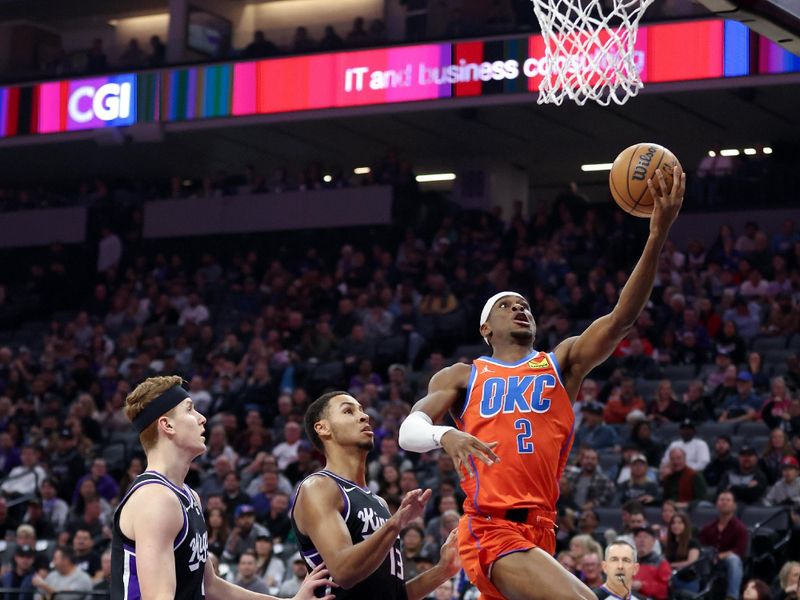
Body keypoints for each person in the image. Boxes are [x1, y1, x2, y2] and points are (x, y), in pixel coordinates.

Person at [399, 168, 685, 600]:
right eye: (508, 306)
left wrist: (656, 236)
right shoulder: (463, 375)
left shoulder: (561, 363)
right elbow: (408, 431)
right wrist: (446, 434)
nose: (520, 310)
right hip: (490, 528)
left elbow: (621, 319)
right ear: (485, 327)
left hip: (541, 529)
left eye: (526, 306)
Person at [110, 375, 333, 600]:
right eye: (190, 410)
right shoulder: (156, 499)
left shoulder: (189, 497)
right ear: (167, 425)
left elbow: (212, 586)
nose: (202, 418)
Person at [292, 391, 461, 598]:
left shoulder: (378, 502)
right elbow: (344, 572)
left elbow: (395, 595)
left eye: (362, 410)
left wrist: (444, 570)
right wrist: (396, 523)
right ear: (323, 428)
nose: (364, 417)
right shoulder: (319, 487)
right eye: (348, 411)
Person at [699, 491, 748, 600]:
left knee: (734, 559)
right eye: (721, 499)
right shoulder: (708, 527)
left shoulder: (740, 528)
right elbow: (701, 547)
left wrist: (720, 556)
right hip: (709, 560)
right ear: (717, 504)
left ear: (734, 506)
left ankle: (731, 597)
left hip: (728, 562)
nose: (724, 502)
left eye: (728, 500)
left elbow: (740, 551)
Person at [631, 527, 670, 600]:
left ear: (654, 540)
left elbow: (665, 591)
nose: (642, 540)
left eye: (646, 537)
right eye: (639, 537)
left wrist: (643, 585)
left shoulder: (661, 563)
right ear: (634, 540)